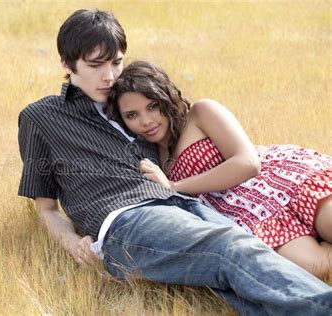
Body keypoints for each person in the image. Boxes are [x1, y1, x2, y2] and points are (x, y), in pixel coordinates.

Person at [18, 9, 332, 315]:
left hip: (181, 204)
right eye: (95, 65)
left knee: (240, 264)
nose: (109, 76)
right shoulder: (40, 117)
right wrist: (71, 242)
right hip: (124, 220)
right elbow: (45, 207)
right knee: (228, 247)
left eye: (116, 62)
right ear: (66, 64)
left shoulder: (129, 104)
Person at [106, 60, 332, 279]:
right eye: (132, 115)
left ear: (165, 97)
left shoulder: (200, 113)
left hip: (282, 182)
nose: (146, 121)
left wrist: (174, 186)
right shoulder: (147, 156)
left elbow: (248, 163)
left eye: (152, 106)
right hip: (250, 215)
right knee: (315, 266)